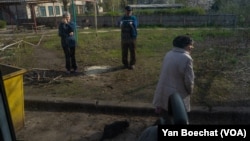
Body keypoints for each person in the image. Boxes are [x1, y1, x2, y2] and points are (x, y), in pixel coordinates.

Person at [152, 35, 195, 120]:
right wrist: (190, 90)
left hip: (163, 90)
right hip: (177, 94)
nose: (192, 47)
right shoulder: (187, 58)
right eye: (191, 45)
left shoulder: (169, 54)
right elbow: (189, 81)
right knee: (177, 115)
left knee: (165, 115)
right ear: (185, 45)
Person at [119, 5, 138, 70]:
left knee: (133, 51)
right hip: (124, 37)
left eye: (130, 11)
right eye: (127, 11)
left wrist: (131, 24)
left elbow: (135, 26)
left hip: (132, 37)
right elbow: (120, 25)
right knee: (124, 51)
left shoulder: (133, 18)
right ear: (125, 11)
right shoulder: (123, 18)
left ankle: (132, 64)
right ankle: (125, 64)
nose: (128, 12)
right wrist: (121, 24)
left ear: (131, 11)